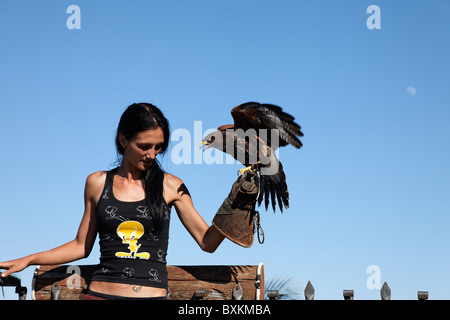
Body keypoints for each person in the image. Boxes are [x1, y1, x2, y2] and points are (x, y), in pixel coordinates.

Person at [0, 103, 258, 300]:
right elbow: (81, 246)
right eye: (144, 146)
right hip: (100, 295)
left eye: (159, 147)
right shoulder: (97, 183)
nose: (151, 154)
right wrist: (30, 259)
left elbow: (207, 242)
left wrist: (238, 204)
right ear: (123, 140)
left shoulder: (171, 185)